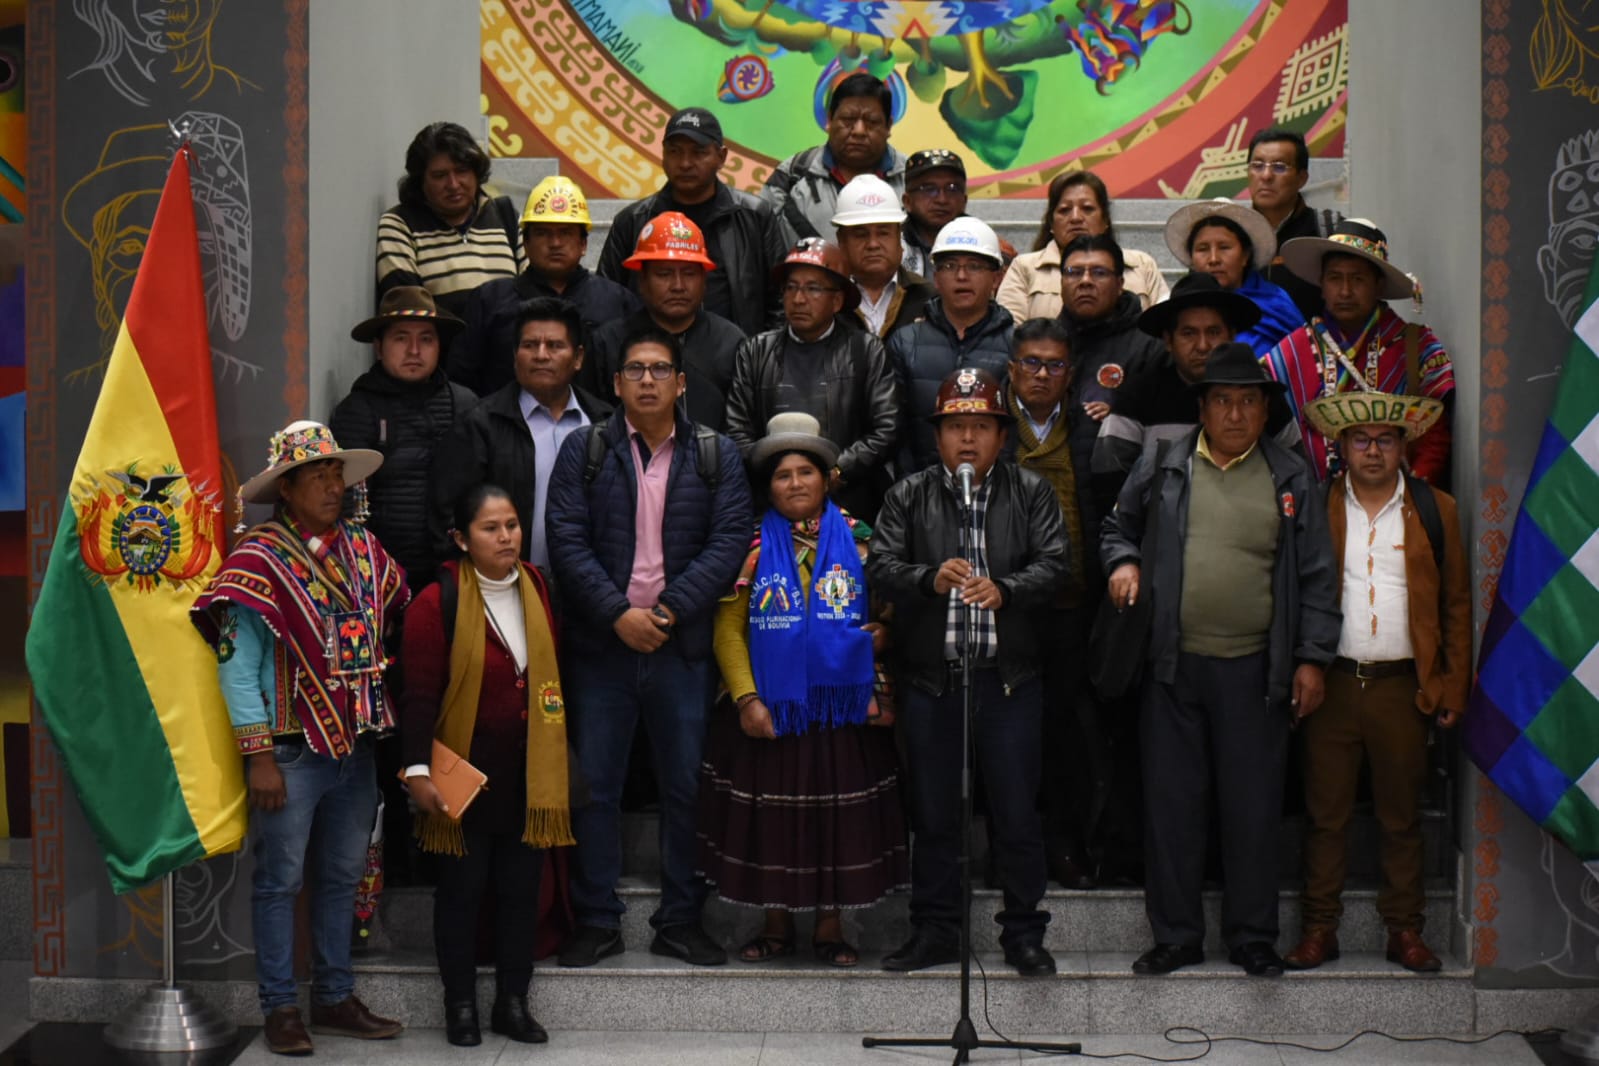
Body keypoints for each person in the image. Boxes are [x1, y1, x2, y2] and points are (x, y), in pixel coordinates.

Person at [1101, 345, 1339, 979]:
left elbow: (1318, 578)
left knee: (1253, 810)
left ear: (1265, 411)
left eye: (1249, 402)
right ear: (1202, 408)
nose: (1236, 413)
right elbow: (1115, 528)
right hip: (1173, 669)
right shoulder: (1165, 464)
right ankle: (1176, 937)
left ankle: (1253, 937)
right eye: (1223, 401)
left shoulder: (1291, 477)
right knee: (1173, 809)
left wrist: (1312, 659)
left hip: (1257, 672)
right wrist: (1123, 562)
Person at [191, 421, 409, 1055]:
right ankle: (280, 1008)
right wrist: (258, 755)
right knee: (279, 880)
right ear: (286, 489)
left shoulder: (367, 554)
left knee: (341, 875)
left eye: (336, 474)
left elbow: (387, 628)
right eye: (316, 476)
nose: (331, 486)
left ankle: (335, 996)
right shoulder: (258, 559)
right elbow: (234, 665)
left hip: (357, 745)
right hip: (289, 749)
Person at [546, 325, 752, 969]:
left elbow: (727, 544)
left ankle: (681, 919)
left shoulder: (716, 454)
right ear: (614, 383)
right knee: (597, 787)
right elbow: (565, 539)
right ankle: (598, 919)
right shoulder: (586, 450)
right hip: (603, 650)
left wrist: (664, 611)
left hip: (679, 648)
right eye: (634, 369)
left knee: (685, 786)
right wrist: (617, 614)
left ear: (681, 383)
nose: (645, 380)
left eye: (659, 369)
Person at [868, 368, 1069, 977]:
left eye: (980, 426)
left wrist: (1006, 589)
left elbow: (1057, 565)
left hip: (1006, 680)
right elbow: (878, 564)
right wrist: (926, 579)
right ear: (938, 437)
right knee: (933, 812)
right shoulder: (910, 493)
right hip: (932, 680)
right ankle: (934, 930)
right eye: (955, 427)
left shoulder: (1031, 491)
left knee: (1014, 810)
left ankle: (1024, 934)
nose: (967, 439)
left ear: (1001, 436)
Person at [698, 413, 909, 968]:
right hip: (772, 710)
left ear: (828, 479)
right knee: (775, 822)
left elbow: (890, 610)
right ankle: (775, 925)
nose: (795, 483)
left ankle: (830, 929)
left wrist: (884, 633)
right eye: (782, 475)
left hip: (842, 711)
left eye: (805, 473)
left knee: (834, 823)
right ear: (768, 487)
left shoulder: (864, 543)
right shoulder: (748, 547)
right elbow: (728, 629)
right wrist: (746, 698)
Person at [1282, 393, 1470, 975]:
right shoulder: (1315, 506)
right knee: (1326, 814)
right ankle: (1319, 929)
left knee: (1401, 816)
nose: (1371, 450)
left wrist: (1453, 684)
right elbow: (1292, 596)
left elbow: (1456, 605)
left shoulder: (1436, 510)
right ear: (1339, 448)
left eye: (1384, 439)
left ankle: (1406, 931)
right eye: (1359, 440)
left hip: (1401, 687)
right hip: (1332, 683)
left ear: (1402, 447)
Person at [401, 484, 570, 1046]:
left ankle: (512, 1003)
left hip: (528, 776)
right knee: (462, 895)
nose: (506, 537)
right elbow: (420, 696)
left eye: (513, 526)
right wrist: (416, 771)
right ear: (460, 539)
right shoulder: (436, 601)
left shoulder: (538, 588)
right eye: (490, 529)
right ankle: (462, 1006)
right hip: (464, 780)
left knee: (523, 894)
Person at [1003, 318, 1107, 889]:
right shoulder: (991, 428)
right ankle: (1007, 846)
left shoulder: (1090, 430)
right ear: (1012, 368)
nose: (1042, 374)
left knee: (1066, 733)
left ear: (1071, 375)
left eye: (1055, 365)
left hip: (1072, 607)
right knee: (1005, 733)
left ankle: (1064, 844)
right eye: (1031, 363)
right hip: (1004, 605)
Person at [1264, 218, 1456, 486]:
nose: (1345, 291)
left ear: (1378, 286)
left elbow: (1433, 439)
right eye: (1334, 278)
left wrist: (1413, 497)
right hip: (1312, 514)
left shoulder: (1416, 349)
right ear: (1321, 284)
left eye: (1358, 279)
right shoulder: (1290, 354)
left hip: (1397, 509)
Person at [431, 298, 613, 574]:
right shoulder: (481, 424)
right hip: (505, 591)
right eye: (529, 345)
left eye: (554, 346)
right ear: (515, 356)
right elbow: (447, 518)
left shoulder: (606, 424)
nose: (541, 355)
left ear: (578, 358)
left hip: (591, 594)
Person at [1092, 271, 1301, 511]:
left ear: (1231, 336)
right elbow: (1108, 476)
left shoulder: (1260, 392)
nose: (1202, 346)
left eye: (1213, 332)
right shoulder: (1141, 389)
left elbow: (1294, 471)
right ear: (1168, 341)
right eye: (1188, 333)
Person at [727, 238, 899, 522]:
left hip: (848, 502)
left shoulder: (865, 350)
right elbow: (736, 429)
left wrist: (838, 471)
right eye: (791, 287)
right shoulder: (755, 351)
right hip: (769, 504)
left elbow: (886, 428)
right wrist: (779, 475)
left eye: (813, 288)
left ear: (837, 300)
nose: (798, 299)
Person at [331, 286, 476, 593]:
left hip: (456, 574)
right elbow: (347, 507)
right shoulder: (357, 410)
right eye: (401, 338)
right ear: (379, 347)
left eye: (426, 339)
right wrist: (371, 576)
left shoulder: (466, 405)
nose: (414, 350)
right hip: (381, 575)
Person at [598, 107, 786, 337]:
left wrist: (760, 360)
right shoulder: (634, 221)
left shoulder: (754, 216)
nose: (685, 163)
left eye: (698, 152)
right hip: (650, 362)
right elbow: (606, 298)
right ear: (663, 155)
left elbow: (781, 298)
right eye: (675, 152)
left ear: (722, 157)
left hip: (736, 359)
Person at [450, 176, 640, 395]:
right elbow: (462, 383)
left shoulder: (617, 302)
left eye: (565, 232)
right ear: (526, 243)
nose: (555, 243)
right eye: (542, 233)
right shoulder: (489, 301)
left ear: (584, 244)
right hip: (506, 425)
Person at [589, 211, 745, 430]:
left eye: (689, 274)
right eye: (664, 274)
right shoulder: (608, 343)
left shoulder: (731, 343)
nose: (678, 286)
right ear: (642, 281)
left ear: (704, 281)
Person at [889, 217, 1016, 474]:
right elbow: (894, 431)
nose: (961, 276)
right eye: (949, 266)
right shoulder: (905, 342)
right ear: (936, 278)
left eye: (974, 266)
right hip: (920, 492)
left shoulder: (1016, 343)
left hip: (999, 494)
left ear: (996, 278)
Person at [375, 122, 522, 321]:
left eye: (461, 171)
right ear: (421, 181)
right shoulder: (399, 225)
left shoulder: (507, 218)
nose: (453, 184)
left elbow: (535, 298)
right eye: (440, 176)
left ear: (476, 173)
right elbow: (409, 312)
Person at [998, 171, 1170, 323]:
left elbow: (1163, 328)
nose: (1075, 218)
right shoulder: (1025, 267)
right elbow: (1012, 337)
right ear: (1051, 223)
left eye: (1087, 209)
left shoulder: (1141, 265)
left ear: (1105, 221)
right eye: (1064, 210)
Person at [761, 72, 906, 245]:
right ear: (830, 119)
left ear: (888, 126)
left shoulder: (911, 178)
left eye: (872, 121)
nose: (859, 131)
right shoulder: (793, 175)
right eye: (848, 120)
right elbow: (758, 242)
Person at [1163, 197, 1303, 356]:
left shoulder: (1276, 303)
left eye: (1224, 247)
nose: (1214, 259)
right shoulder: (1178, 307)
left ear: (1245, 255)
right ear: (1192, 260)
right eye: (1203, 249)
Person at [830, 175, 934, 338]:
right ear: (841, 241)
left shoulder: (931, 298)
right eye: (860, 234)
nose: (873, 244)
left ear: (899, 238)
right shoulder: (824, 300)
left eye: (883, 233)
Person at [1245, 127, 1328, 320]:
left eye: (1279, 167)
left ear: (1302, 178)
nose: (1266, 176)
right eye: (1257, 165)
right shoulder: (1232, 234)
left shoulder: (1325, 232)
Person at [899, 148, 968, 279]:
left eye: (952, 188)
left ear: (964, 201)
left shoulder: (986, 245)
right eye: (929, 189)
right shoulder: (892, 248)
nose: (942, 199)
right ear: (907, 201)